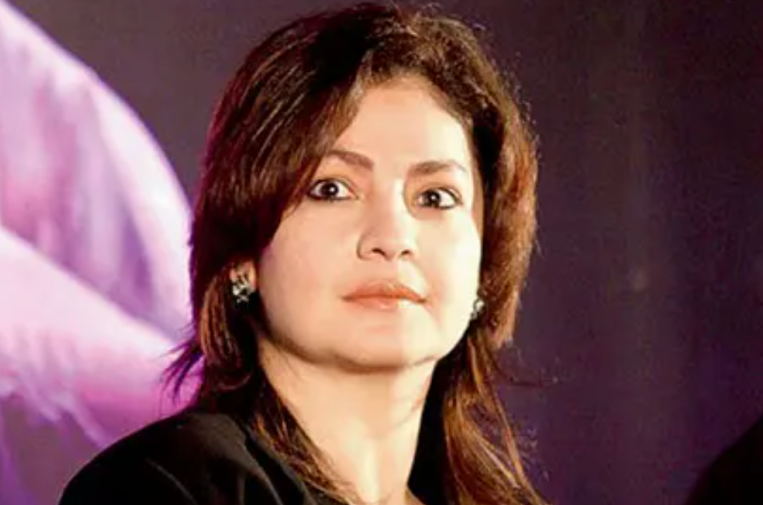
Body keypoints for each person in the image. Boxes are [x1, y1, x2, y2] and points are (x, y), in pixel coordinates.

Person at [59, 3, 545, 505]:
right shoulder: (162, 487)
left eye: (435, 197)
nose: (392, 236)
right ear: (243, 256)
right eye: (331, 189)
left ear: (485, 264)